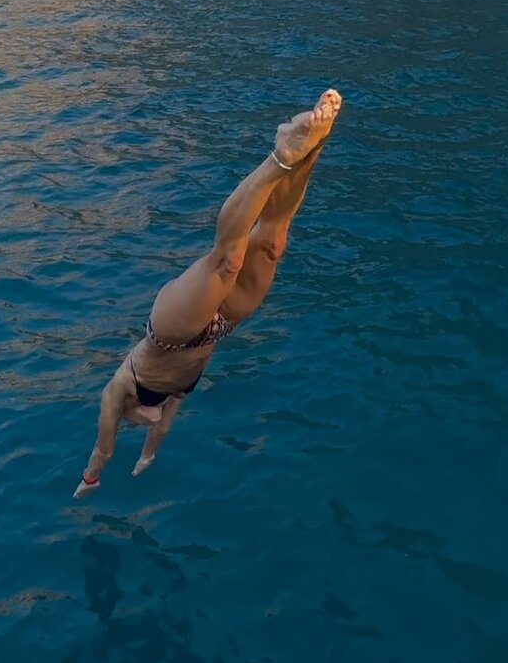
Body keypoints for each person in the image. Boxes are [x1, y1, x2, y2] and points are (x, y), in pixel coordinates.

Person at [73, 88, 343, 498]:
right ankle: (312, 148)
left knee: (227, 260)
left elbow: (102, 449)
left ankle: (280, 156)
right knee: (272, 243)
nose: (145, 425)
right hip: (219, 327)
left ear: (131, 414)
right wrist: (146, 459)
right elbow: (160, 432)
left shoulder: (117, 392)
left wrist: (90, 479)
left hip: (168, 331)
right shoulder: (170, 402)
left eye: (138, 425)